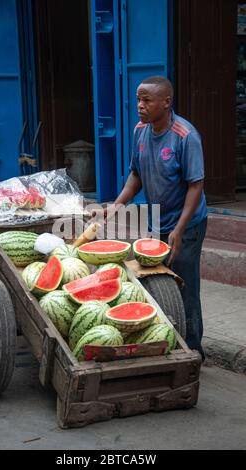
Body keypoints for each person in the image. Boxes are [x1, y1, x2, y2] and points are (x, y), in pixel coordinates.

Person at [106, 75, 207, 360]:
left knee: (184, 286)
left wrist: (178, 229)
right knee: (157, 283)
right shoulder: (140, 130)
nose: (140, 105)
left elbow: (196, 185)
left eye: (146, 100)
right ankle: (166, 343)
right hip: (156, 222)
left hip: (187, 226)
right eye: (138, 99)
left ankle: (194, 351)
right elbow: (136, 174)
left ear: (166, 102)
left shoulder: (185, 136)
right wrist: (118, 203)